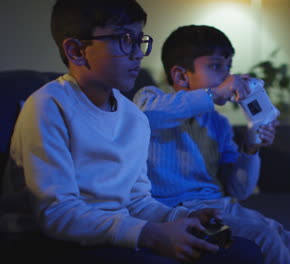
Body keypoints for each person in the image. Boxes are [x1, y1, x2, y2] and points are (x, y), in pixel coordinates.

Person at [0, 2, 263, 264]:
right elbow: (57, 213)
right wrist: (150, 234)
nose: (138, 54)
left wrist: (179, 218)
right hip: (46, 241)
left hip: (117, 233)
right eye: (125, 40)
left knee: (243, 252)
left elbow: (137, 201)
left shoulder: (134, 116)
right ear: (76, 51)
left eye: (140, 41)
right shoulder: (48, 105)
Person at [133, 25, 290, 264]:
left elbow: (239, 190)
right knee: (265, 238)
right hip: (178, 212)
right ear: (180, 75)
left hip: (223, 208)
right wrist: (214, 94)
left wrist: (250, 148)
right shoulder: (150, 98)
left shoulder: (219, 123)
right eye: (215, 66)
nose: (227, 76)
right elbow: (148, 117)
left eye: (228, 67)